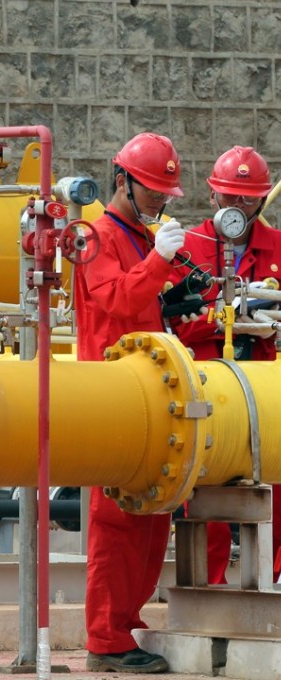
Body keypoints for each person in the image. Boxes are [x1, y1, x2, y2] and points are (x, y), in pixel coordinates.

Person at [73, 132, 185, 674]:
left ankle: (125, 625)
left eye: (166, 193)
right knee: (116, 523)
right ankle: (105, 639)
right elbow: (115, 299)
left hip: (147, 391)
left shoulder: (139, 234)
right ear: (124, 181)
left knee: (148, 518)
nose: (161, 201)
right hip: (113, 393)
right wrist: (159, 262)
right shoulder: (97, 236)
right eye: (155, 191)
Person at [164, 145, 281, 585]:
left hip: (266, 386)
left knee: (276, 484)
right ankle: (208, 585)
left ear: (261, 200)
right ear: (213, 196)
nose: (237, 207)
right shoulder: (189, 246)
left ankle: (274, 579)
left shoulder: (277, 248)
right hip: (209, 386)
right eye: (229, 197)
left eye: (247, 199)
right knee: (207, 488)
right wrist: (220, 318)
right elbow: (174, 317)